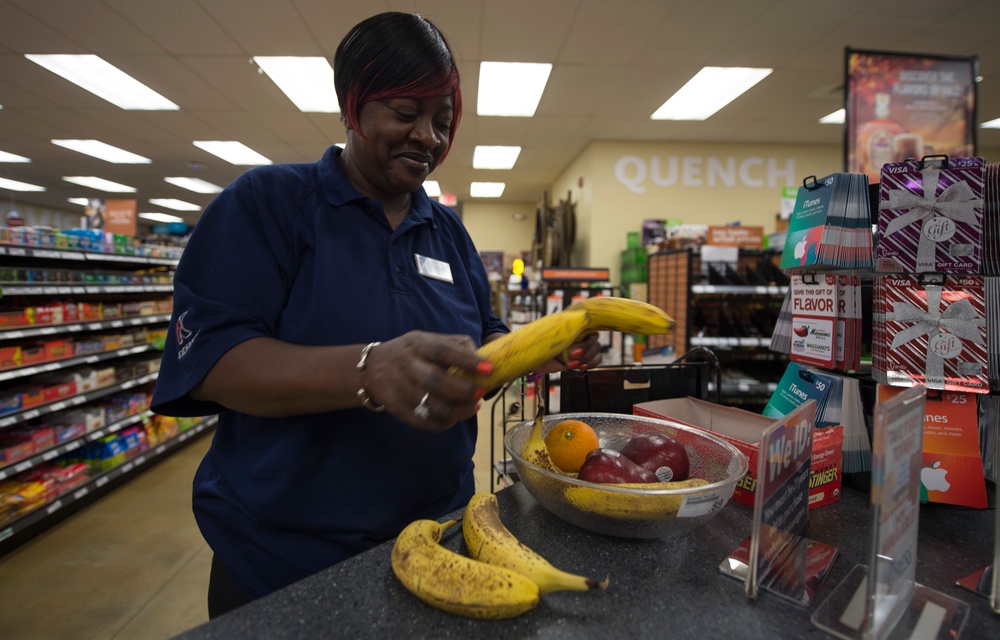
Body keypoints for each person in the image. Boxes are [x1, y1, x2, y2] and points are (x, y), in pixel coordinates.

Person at [149, 11, 601, 618]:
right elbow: (212, 361)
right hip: (281, 560)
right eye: (406, 113)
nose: (428, 137)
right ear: (353, 106)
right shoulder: (266, 205)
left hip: (436, 539)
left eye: (443, 122)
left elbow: (484, 341)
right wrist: (367, 369)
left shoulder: (448, 234)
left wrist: (537, 350)